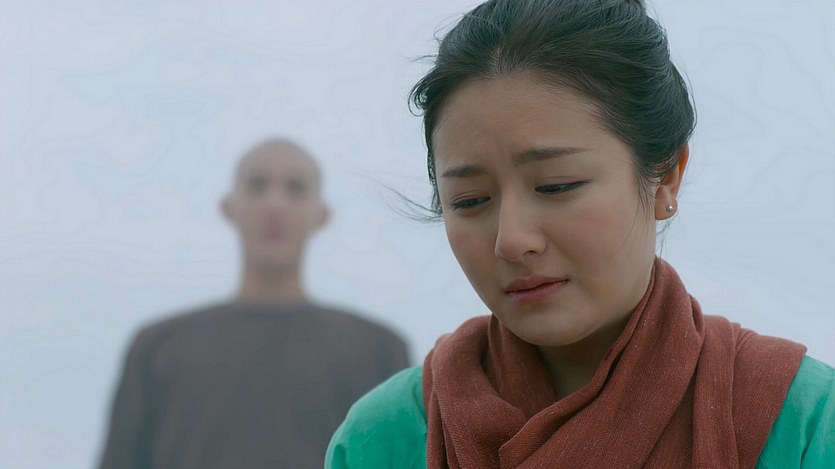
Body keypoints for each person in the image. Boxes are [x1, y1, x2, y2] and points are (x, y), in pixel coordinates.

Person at [326, 1, 834, 467]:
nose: (511, 240)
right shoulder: (383, 439)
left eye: (557, 185)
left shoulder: (801, 421)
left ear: (665, 176)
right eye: (470, 201)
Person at [98, 139, 410, 469]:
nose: (274, 203)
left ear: (321, 215)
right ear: (229, 207)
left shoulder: (377, 348)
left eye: (295, 188)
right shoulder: (158, 346)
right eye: (257, 185)